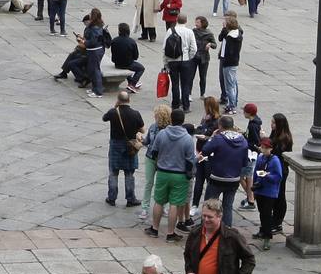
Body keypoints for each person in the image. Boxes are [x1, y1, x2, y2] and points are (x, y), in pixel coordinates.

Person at [147, 109, 195, 242]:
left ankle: (154, 228)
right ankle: (170, 233)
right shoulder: (187, 138)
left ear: (171, 119)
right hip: (179, 175)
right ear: (183, 121)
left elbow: (154, 152)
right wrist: (188, 174)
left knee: (159, 201)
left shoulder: (162, 134)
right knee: (174, 203)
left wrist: (159, 163)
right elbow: (190, 160)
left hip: (162, 171)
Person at [201, 116, 248, 227]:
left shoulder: (218, 138)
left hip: (217, 177)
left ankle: (206, 228)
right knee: (228, 206)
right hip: (234, 179)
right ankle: (227, 230)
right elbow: (245, 163)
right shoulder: (243, 140)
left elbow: (205, 150)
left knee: (209, 204)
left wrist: (212, 137)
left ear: (220, 126)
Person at [104, 87, 145, 207]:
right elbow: (142, 130)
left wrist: (115, 106)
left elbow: (104, 118)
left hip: (115, 145)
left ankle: (112, 198)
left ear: (118, 100)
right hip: (130, 146)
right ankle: (130, 198)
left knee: (113, 173)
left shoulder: (113, 112)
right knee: (129, 174)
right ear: (129, 100)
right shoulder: (135, 113)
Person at [251, 139, 283, 249]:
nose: (263, 149)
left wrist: (267, 176)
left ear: (271, 149)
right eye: (262, 147)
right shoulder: (260, 157)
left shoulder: (275, 161)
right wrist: (254, 184)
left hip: (269, 191)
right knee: (262, 212)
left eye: (266, 148)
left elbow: (278, 177)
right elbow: (256, 172)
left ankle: (267, 237)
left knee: (267, 213)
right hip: (260, 189)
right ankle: (263, 230)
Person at [217, 13, 242, 114]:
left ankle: (232, 106)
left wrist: (225, 60)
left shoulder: (230, 37)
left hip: (228, 62)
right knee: (233, 83)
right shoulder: (237, 33)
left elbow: (229, 51)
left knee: (229, 86)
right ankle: (233, 103)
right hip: (234, 62)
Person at [110, 22, 145, 91]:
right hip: (127, 63)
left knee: (127, 65)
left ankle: (130, 81)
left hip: (117, 63)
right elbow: (136, 57)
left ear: (119, 31)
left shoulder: (114, 40)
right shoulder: (132, 42)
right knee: (141, 68)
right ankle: (133, 84)